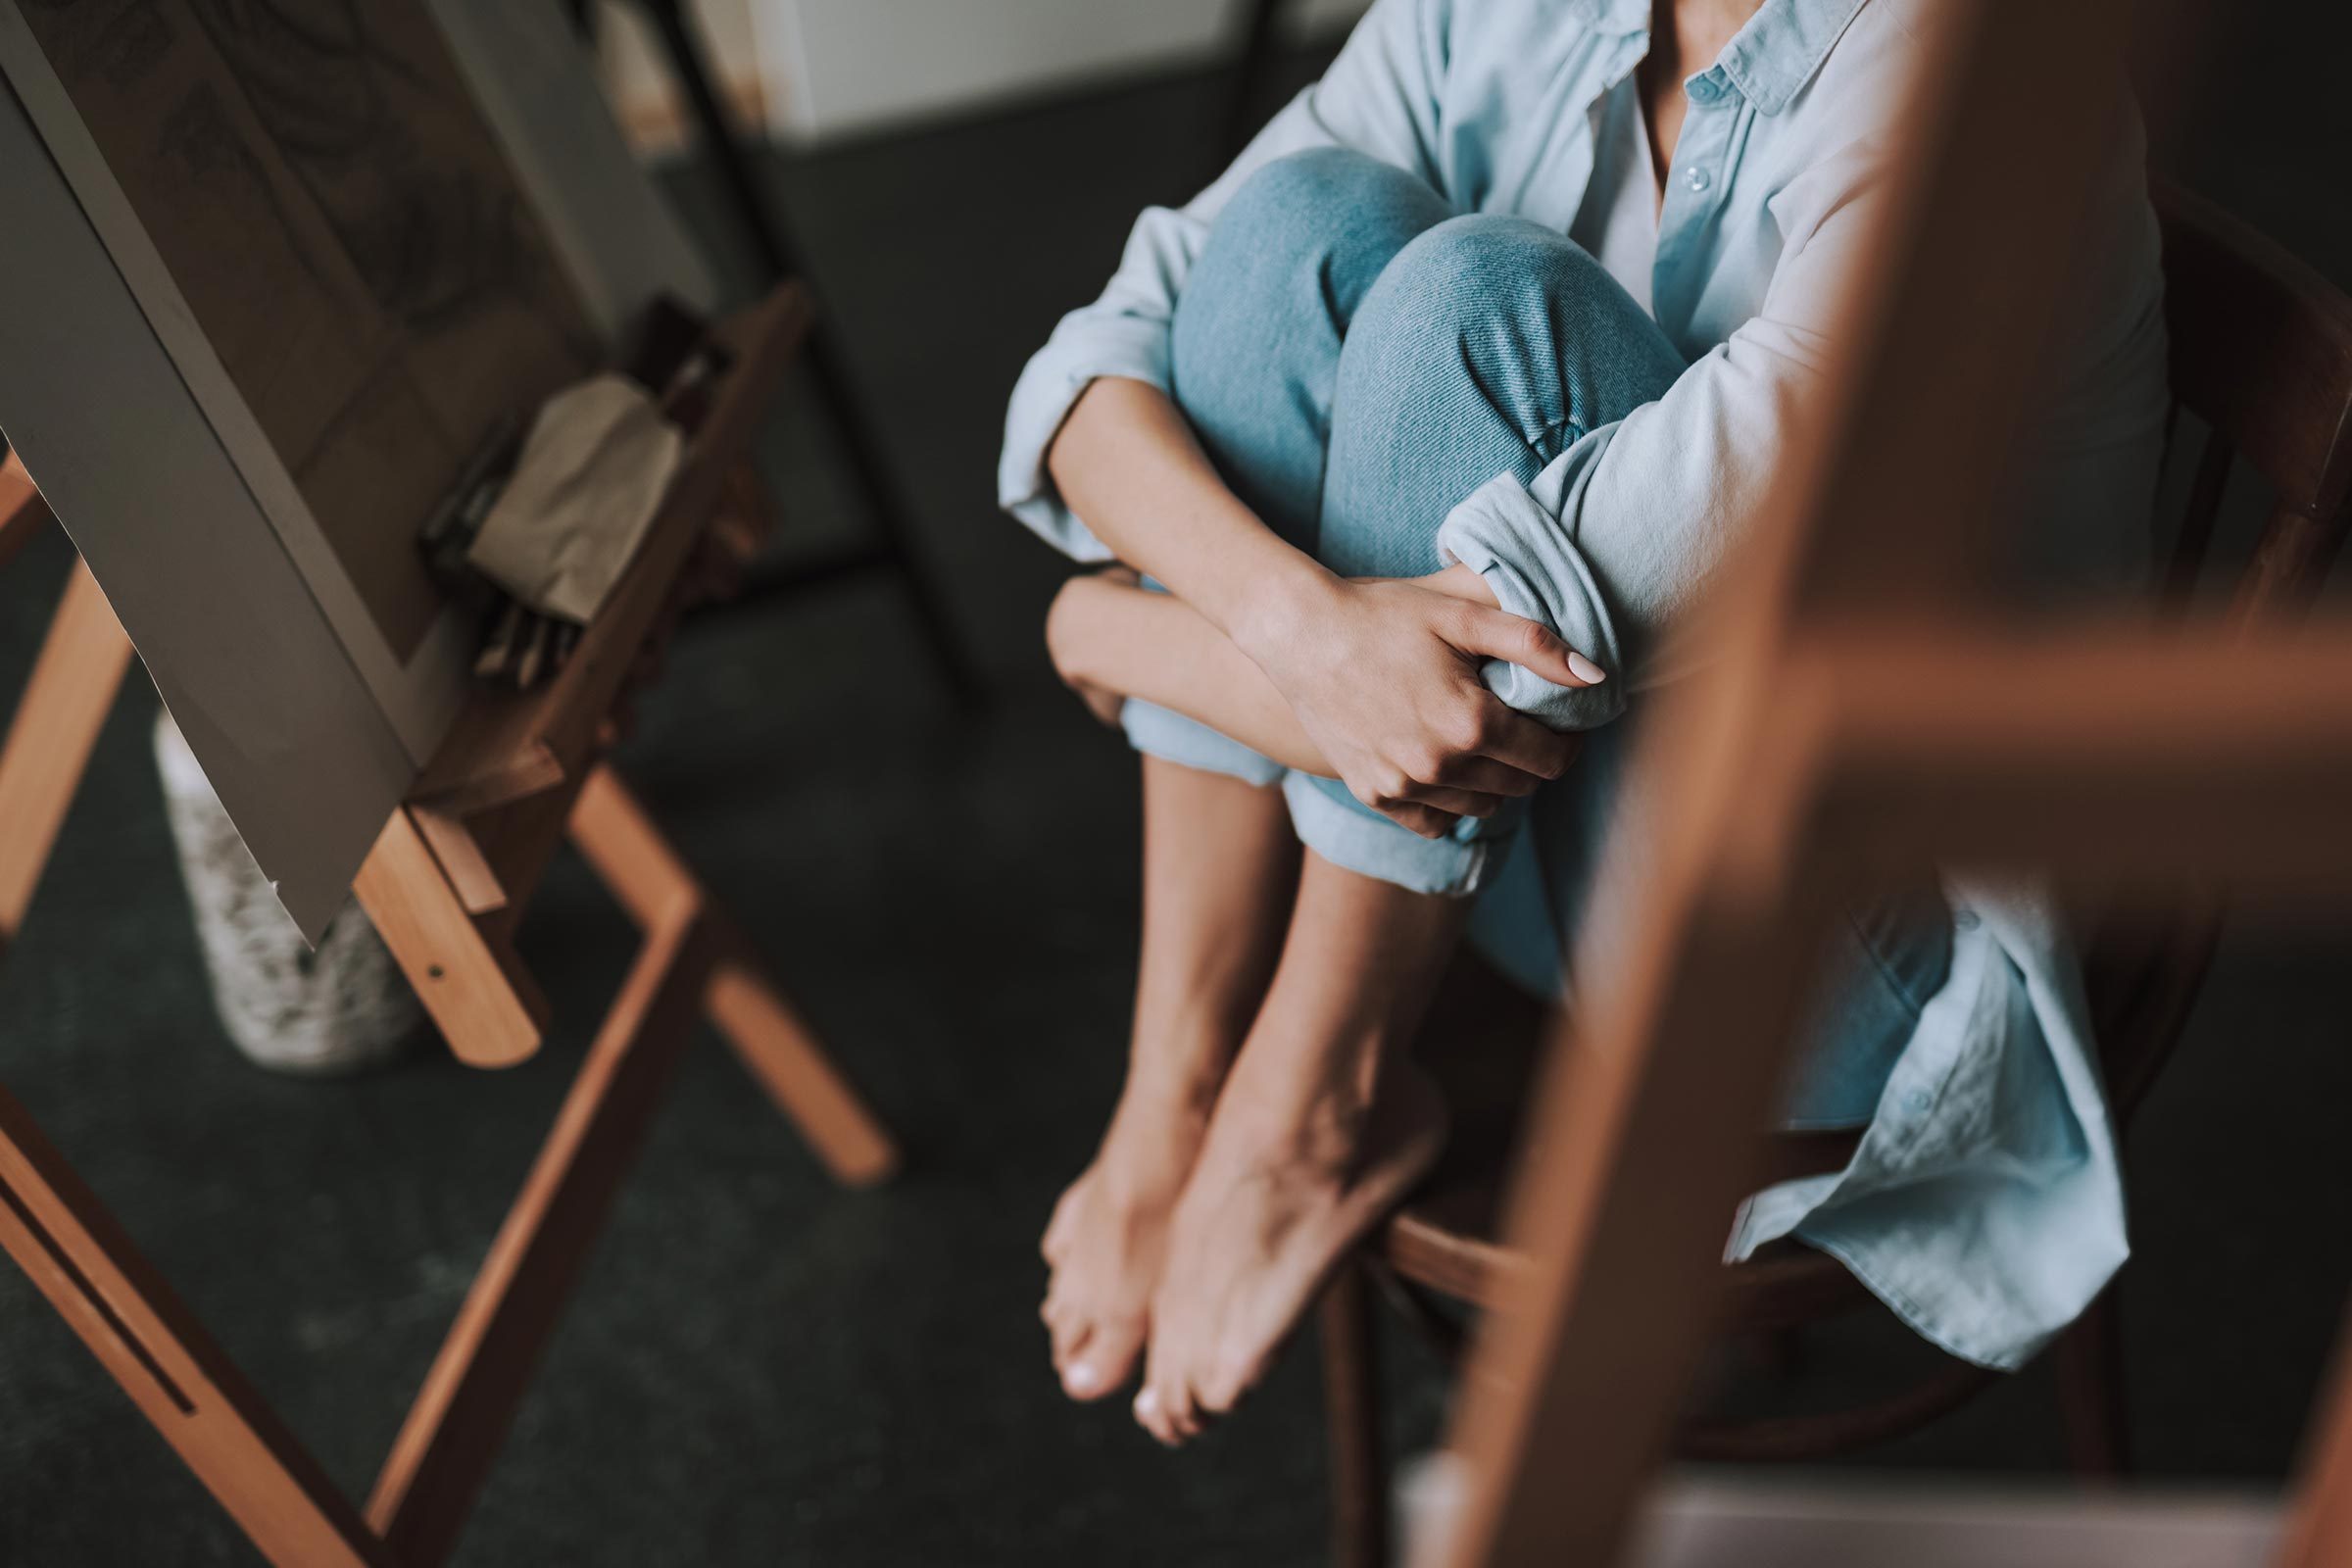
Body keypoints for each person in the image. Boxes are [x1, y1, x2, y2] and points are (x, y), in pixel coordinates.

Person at [1000, 0, 2170, 1446]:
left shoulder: (1983, 84)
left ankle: (1313, 1103)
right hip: (1530, 831)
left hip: (1852, 956)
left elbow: (1497, 654)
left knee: (1479, 312)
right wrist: (1291, 621)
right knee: (1293, 234)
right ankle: (1177, 1088)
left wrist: (1104, 626)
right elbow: (1127, 345)